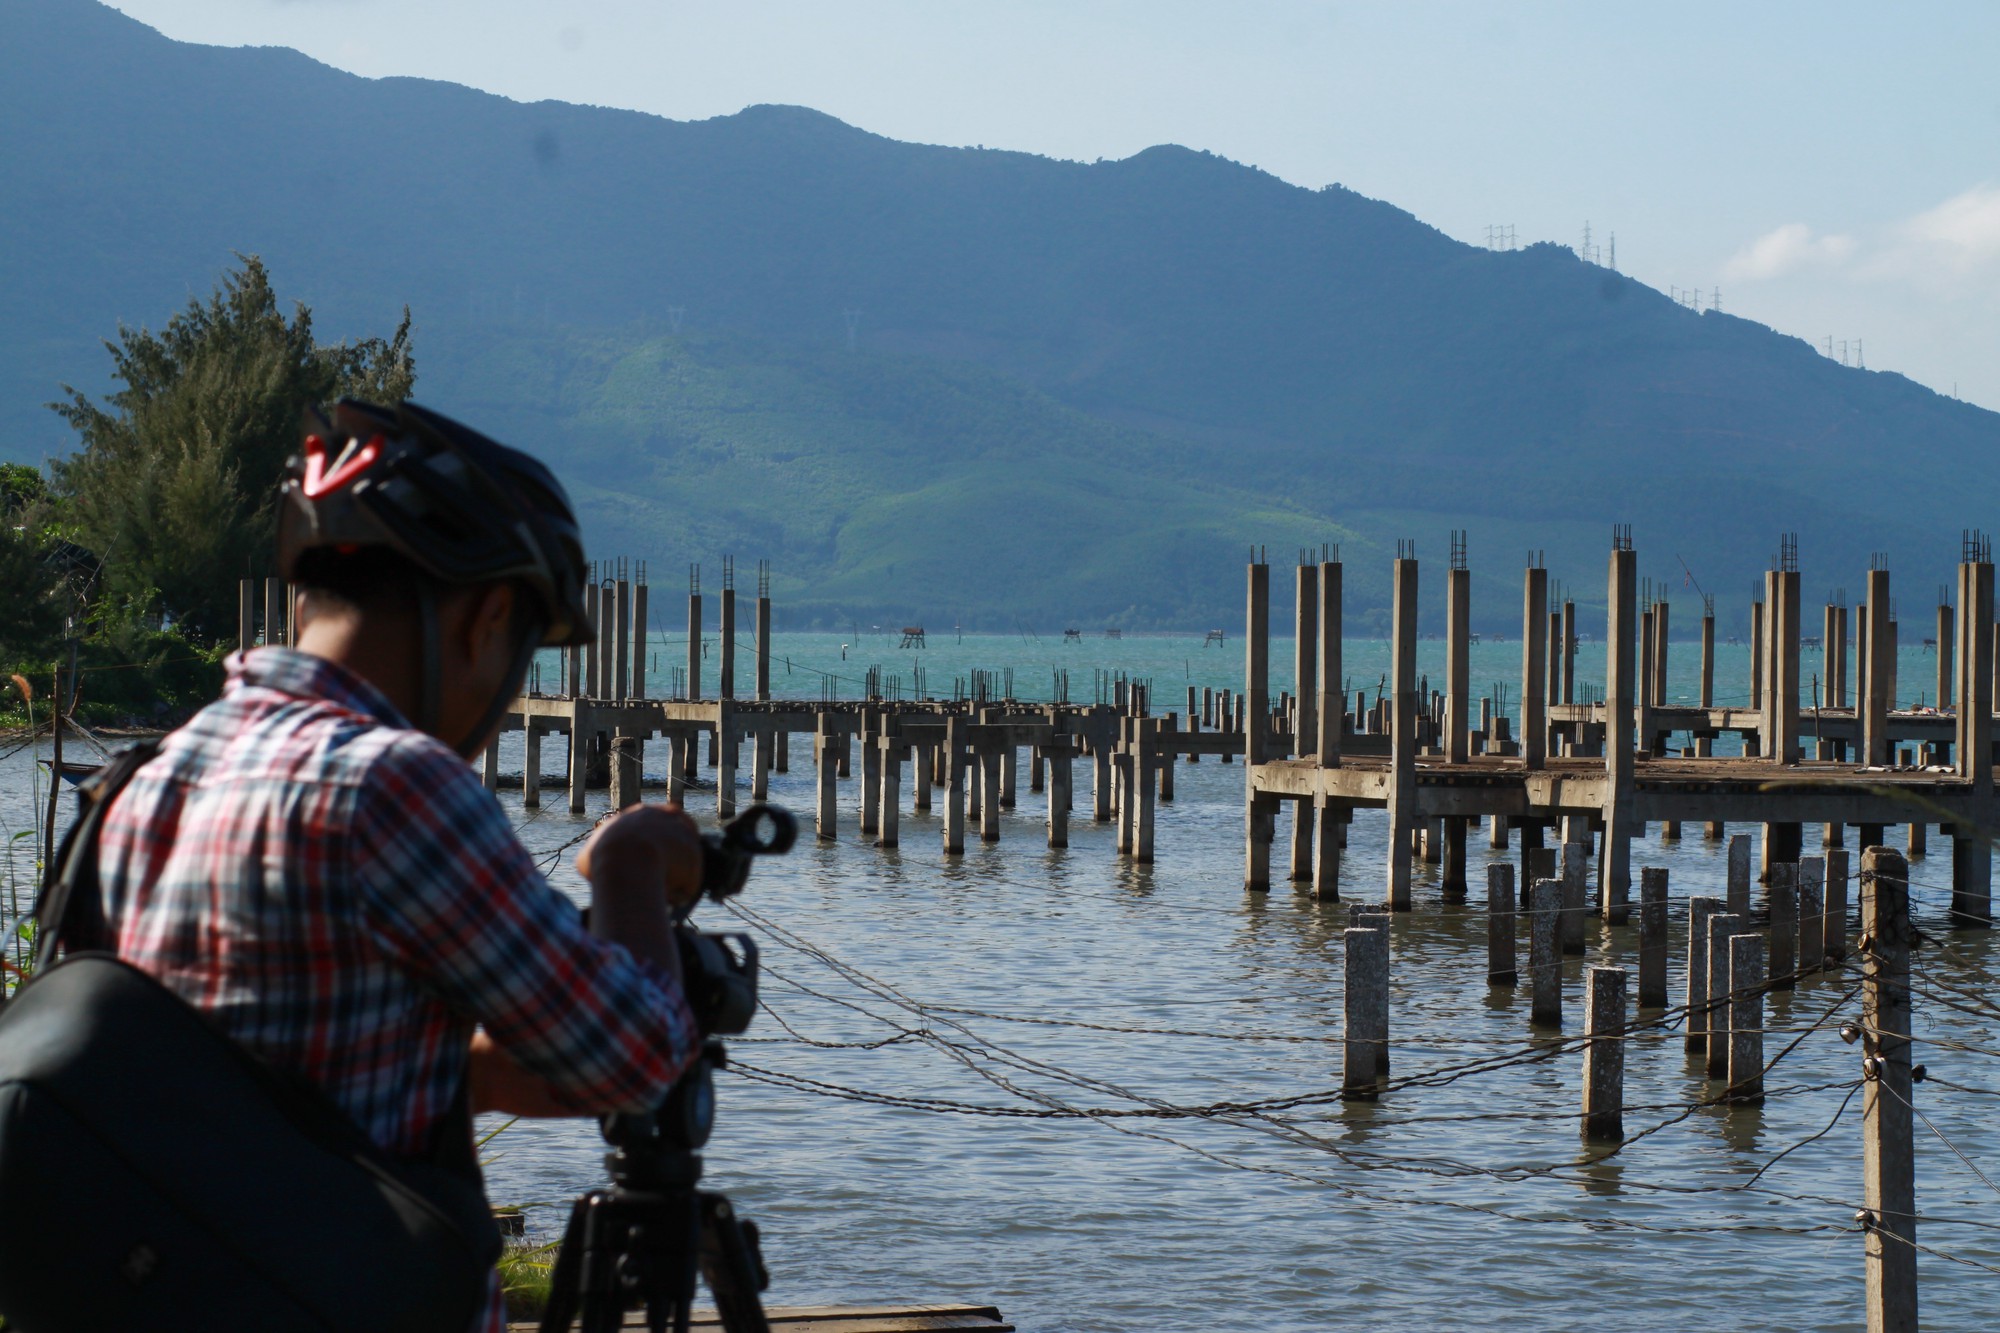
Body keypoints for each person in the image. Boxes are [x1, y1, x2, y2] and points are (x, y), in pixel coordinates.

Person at [88, 399, 706, 1332]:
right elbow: (635, 1059)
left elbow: (273, 1066)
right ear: (488, 617)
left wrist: (474, 1069)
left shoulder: (161, 773)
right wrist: (627, 866)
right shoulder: (392, 784)